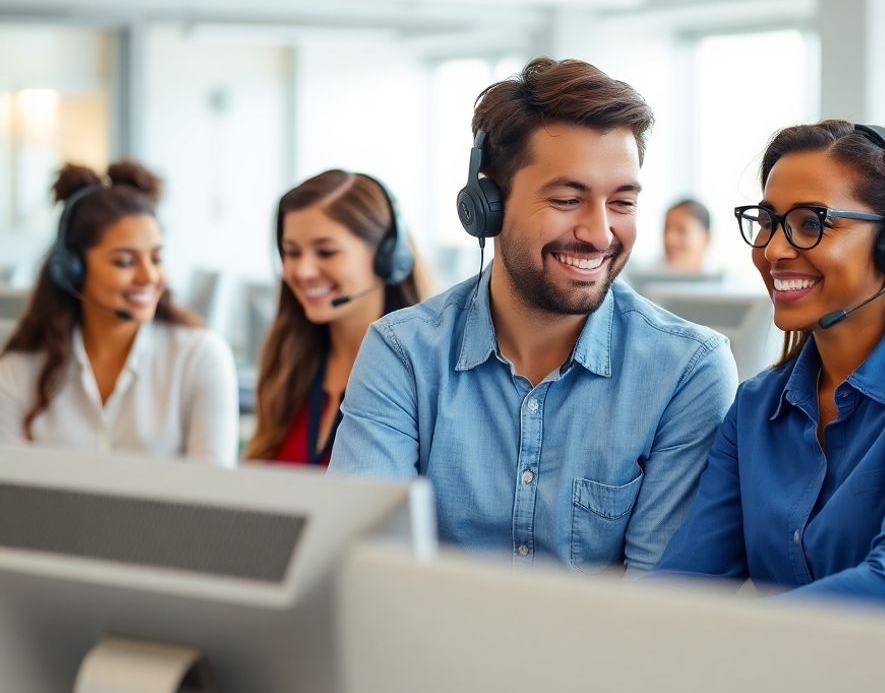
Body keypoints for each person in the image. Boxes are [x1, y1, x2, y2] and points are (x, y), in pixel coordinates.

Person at [329, 58, 738, 574]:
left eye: (621, 203)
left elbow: (661, 603)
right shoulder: (403, 353)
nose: (600, 234)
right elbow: (369, 571)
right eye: (567, 199)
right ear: (488, 204)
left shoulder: (686, 370)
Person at [654, 121, 885, 612]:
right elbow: (684, 583)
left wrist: (735, 632)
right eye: (767, 221)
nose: (773, 250)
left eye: (811, 224)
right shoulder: (756, 408)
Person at [0, 161, 238, 464]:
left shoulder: (199, 357)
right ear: (73, 269)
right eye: (125, 261)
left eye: (156, 258)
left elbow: (213, 487)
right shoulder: (19, 371)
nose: (149, 276)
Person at [246, 170, 427, 466]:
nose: (303, 271)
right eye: (292, 252)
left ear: (387, 257)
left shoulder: (421, 373)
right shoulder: (288, 361)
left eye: (326, 252)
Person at [662, 198, 711, 273]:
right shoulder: (647, 276)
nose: (669, 239)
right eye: (666, 229)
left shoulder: (723, 278)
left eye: (681, 230)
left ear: (706, 238)